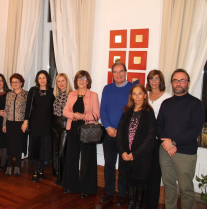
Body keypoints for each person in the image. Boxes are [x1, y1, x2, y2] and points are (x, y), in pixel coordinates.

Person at [157, 69, 204, 209]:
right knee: (169, 185)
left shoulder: (196, 104)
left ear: (188, 83)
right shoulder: (166, 103)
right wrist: (166, 143)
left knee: (186, 189)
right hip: (165, 151)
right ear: (172, 83)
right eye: (175, 80)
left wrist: (173, 142)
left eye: (182, 80)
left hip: (185, 153)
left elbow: (195, 130)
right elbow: (159, 125)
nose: (178, 83)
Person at [116, 84, 157, 209]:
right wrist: (123, 151)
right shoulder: (127, 111)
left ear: (145, 95)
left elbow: (150, 137)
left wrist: (135, 154)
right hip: (126, 155)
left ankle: (138, 205)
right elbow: (120, 133)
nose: (137, 96)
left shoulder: (149, 113)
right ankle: (131, 203)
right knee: (129, 180)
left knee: (139, 182)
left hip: (141, 156)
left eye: (140, 93)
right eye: (134, 94)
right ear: (131, 96)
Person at [100, 62, 134, 207]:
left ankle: (121, 194)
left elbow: (134, 113)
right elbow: (103, 110)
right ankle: (108, 192)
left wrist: (122, 130)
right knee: (109, 164)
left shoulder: (133, 88)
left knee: (123, 166)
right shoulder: (107, 89)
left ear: (126, 72)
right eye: (115, 72)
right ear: (112, 74)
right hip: (109, 133)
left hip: (125, 135)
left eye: (121, 71)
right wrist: (107, 127)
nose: (118, 74)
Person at [62, 71, 100, 198]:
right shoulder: (71, 94)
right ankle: (71, 186)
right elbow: (65, 111)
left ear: (88, 81)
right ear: (76, 81)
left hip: (87, 132)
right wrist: (74, 115)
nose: (81, 80)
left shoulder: (93, 95)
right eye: (79, 78)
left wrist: (83, 116)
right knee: (71, 159)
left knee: (87, 161)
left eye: (84, 78)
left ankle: (86, 188)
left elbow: (96, 115)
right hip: (72, 130)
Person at [144, 70, 172, 208]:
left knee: (155, 173)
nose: (154, 81)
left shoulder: (167, 97)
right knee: (143, 171)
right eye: (151, 79)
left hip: (157, 139)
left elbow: (169, 120)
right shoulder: (144, 96)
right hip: (143, 140)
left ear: (161, 80)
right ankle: (142, 201)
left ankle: (151, 203)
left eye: (156, 78)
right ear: (148, 81)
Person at [24, 70, 55, 182]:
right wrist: (25, 121)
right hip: (35, 123)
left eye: (44, 77)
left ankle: (41, 169)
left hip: (47, 124)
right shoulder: (33, 90)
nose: (42, 80)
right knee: (35, 147)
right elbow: (28, 107)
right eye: (40, 78)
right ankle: (35, 170)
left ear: (47, 79)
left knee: (44, 148)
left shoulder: (52, 91)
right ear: (37, 79)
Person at [2, 73, 28, 176]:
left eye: (17, 81)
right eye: (13, 82)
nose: (15, 83)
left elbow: (28, 111)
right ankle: (9, 166)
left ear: (21, 82)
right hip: (10, 123)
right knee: (10, 145)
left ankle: (17, 166)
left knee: (18, 145)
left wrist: (26, 122)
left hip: (20, 124)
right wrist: (4, 124)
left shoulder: (26, 94)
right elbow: (6, 109)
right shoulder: (9, 94)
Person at [52, 73, 72, 185]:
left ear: (67, 82)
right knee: (54, 152)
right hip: (55, 124)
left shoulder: (72, 95)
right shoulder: (56, 95)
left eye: (63, 81)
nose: (61, 83)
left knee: (61, 152)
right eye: (58, 81)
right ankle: (57, 174)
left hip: (65, 125)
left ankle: (63, 176)